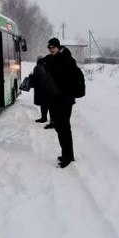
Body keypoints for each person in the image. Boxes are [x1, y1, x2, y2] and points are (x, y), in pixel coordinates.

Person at [43, 37, 77, 168]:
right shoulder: (55, 59)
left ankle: (67, 157)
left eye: (53, 47)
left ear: (58, 47)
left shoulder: (66, 60)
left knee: (63, 128)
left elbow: (66, 80)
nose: (51, 50)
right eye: (49, 48)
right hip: (57, 100)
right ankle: (68, 154)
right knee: (60, 127)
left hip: (65, 100)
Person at [30, 56, 54, 129]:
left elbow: (35, 80)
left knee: (44, 105)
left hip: (41, 90)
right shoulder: (49, 67)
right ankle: (51, 120)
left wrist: (31, 77)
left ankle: (44, 118)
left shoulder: (37, 68)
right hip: (48, 90)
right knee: (50, 106)